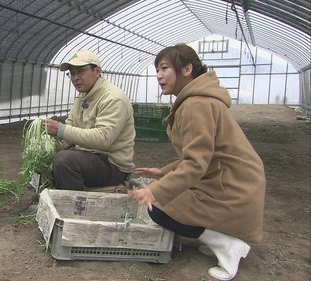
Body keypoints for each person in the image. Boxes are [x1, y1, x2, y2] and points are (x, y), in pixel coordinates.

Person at [128, 44, 266, 281]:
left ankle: (227, 245)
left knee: (158, 207)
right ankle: (221, 238)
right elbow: (200, 156)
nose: (159, 75)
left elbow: (195, 164)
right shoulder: (196, 100)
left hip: (232, 189)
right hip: (233, 182)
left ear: (187, 69)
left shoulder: (195, 104)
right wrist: (162, 172)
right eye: (157, 69)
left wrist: (154, 189)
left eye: (164, 68)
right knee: (166, 200)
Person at [43, 49, 135, 190]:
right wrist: (48, 142)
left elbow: (103, 138)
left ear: (97, 71)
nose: (76, 78)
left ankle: (76, 206)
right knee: (50, 160)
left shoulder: (113, 98)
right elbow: (70, 126)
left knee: (64, 161)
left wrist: (61, 130)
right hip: (89, 155)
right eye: (72, 73)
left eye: (80, 71)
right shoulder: (82, 96)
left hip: (112, 164)